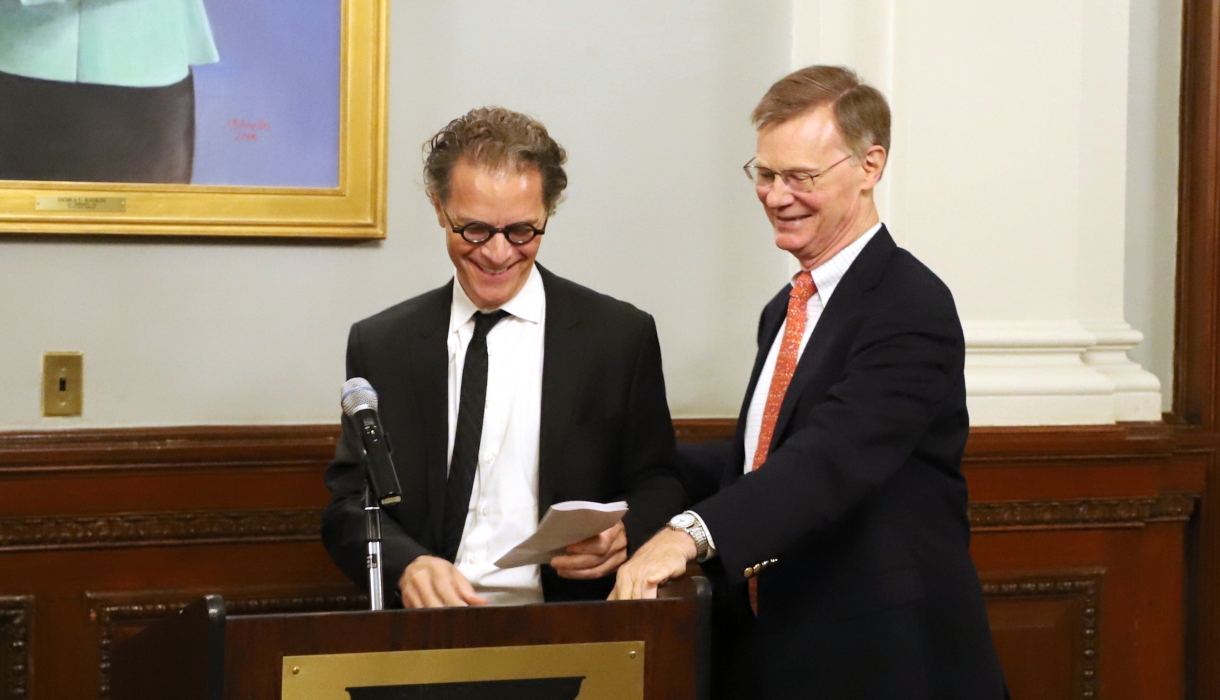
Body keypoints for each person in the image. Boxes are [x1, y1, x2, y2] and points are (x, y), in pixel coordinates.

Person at [611, 66, 1009, 699]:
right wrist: (630, 475)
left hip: (885, 660)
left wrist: (687, 534)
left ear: (870, 166)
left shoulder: (910, 304)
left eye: (800, 176)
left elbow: (827, 460)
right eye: (765, 174)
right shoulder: (786, 307)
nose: (775, 195)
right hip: (782, 649)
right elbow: (759, 459)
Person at [322, 107, 686, 608]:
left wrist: (625, 533)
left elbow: (660, 480)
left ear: (547, 214)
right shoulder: (382, 345)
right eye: (473, 230)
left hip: (569, 626)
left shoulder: (618, 337)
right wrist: (407, 564)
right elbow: (349, 505)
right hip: (427, 633)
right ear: (438, 207)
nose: (497, 254)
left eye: (521, 231)